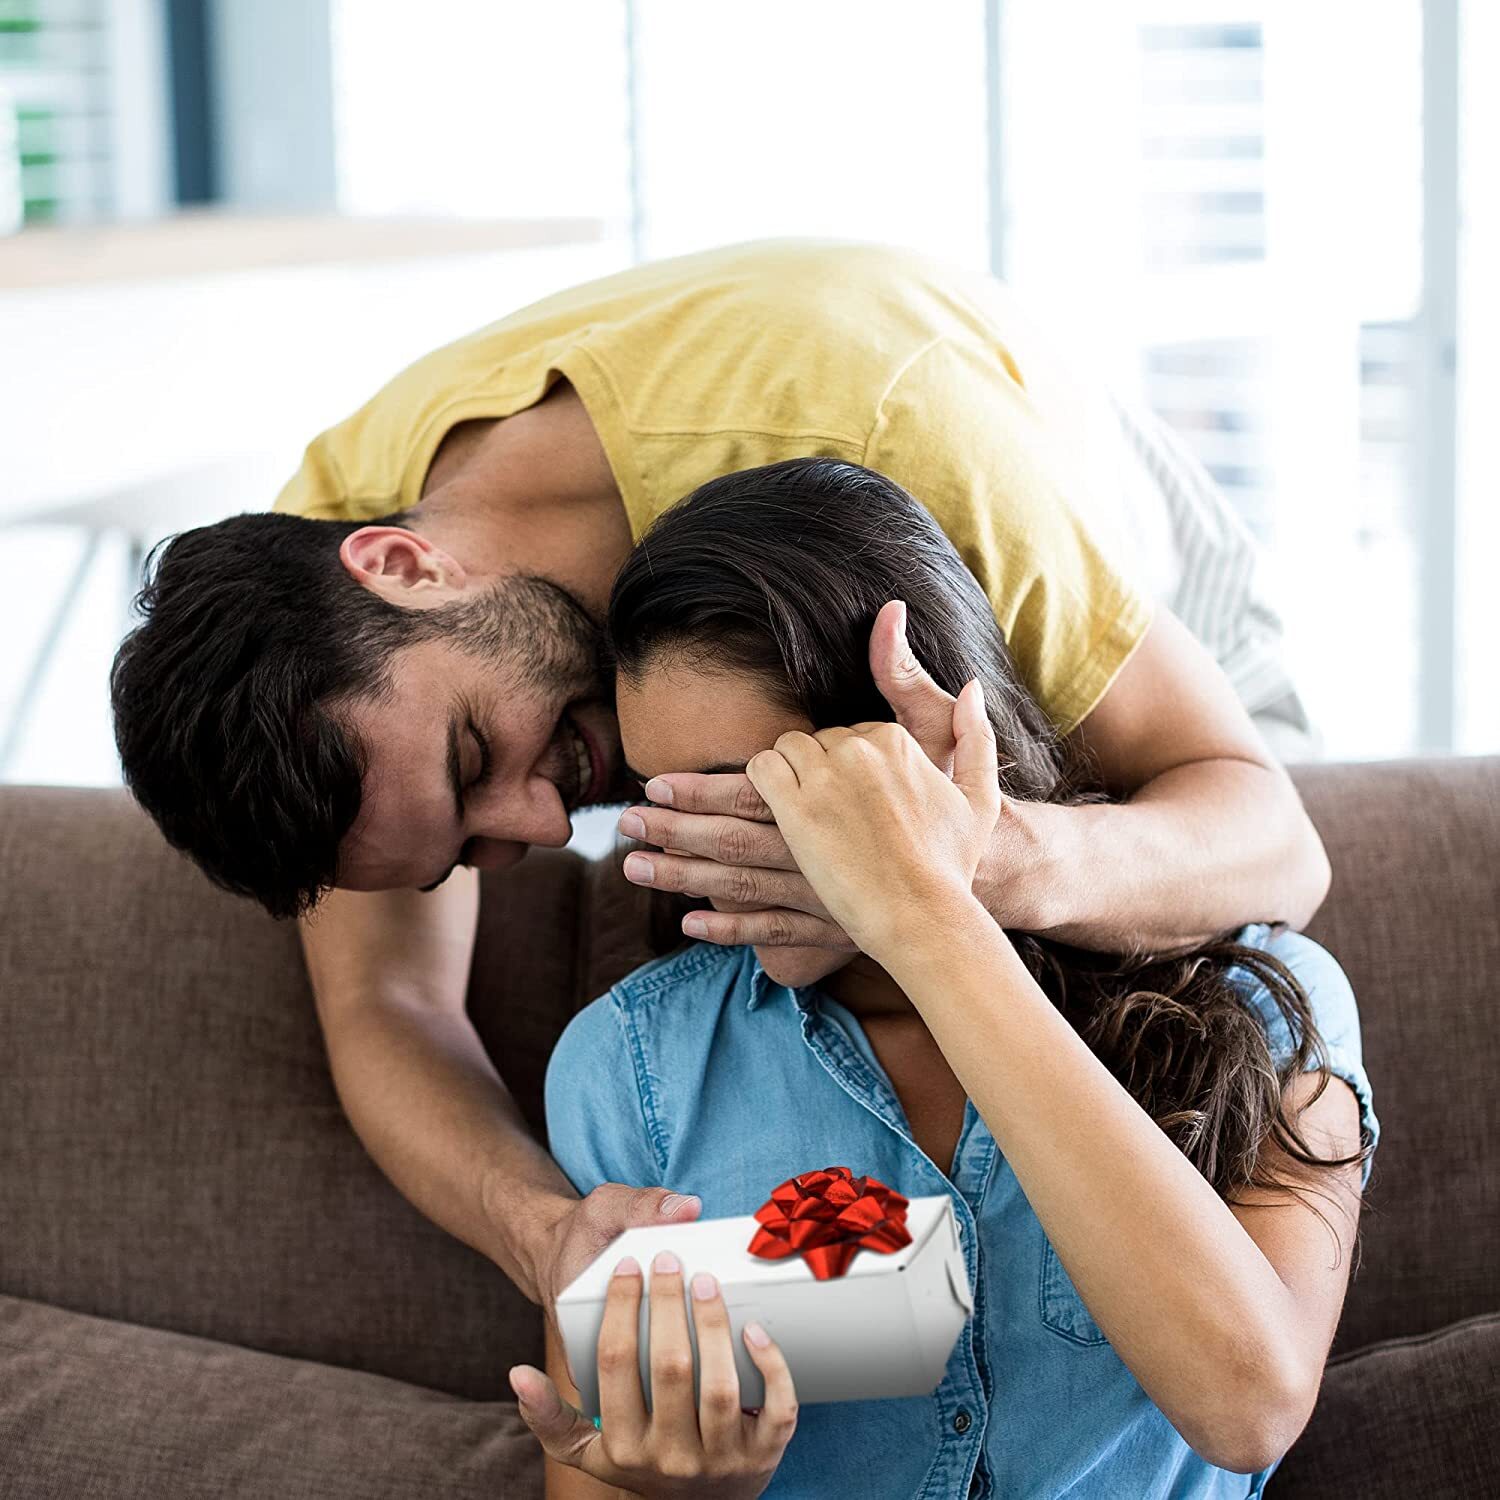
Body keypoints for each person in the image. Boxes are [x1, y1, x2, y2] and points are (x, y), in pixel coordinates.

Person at [108, 239, 1335, 1336]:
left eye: (475, 756)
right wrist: (546, 1236)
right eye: (466, 854)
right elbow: (388, 1003)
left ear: (406, 564)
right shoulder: (306, 645)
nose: (545, 825)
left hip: (1062, 491)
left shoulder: (901, 436)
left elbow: (1277, 843)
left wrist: (966, 863)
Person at [510, 460, 1377, 1500]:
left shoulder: (1268, 1006)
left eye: (748, 794)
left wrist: (931, 916)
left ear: (916, 751)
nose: (695, 856)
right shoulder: (630, 1069)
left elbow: (1249, 1406)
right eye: (664, 798)